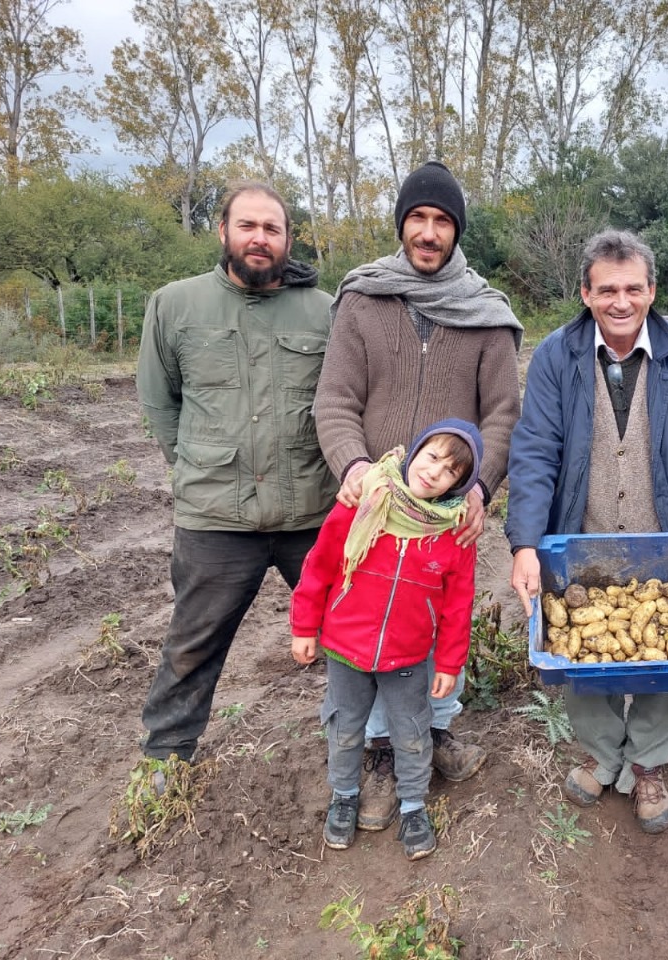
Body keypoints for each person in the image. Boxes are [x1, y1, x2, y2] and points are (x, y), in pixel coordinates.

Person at [506, 229, 668, 834]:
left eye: (632, 289)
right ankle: (601, 754)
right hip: (584, 530)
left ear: (652, 291)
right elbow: (535, 451)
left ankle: (648, 762)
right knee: (579, 649)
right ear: (585, 293)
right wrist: (525, 543)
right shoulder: (556, 356)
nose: (619, 302)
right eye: (606, 290)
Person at [314, 161, 522, 829]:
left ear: (457, 231)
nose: (429, 233)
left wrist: (480, 486)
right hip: (375, 508)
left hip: (445, 510)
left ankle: (431, 731)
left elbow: (502, 416)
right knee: (371, 617)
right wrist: (353, 467)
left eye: (442, 221)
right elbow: (335, 400)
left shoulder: (486, 314)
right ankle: (380, 752)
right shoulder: (364, 300)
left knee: (434, 618)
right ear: (402, 224)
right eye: (418, 219)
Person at [136, 182, 335, 778]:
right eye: (247, 225)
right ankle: (166, 757)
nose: (259, 238)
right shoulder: (174, 305)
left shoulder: (325, 311)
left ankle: (371, 743)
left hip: (312, 515)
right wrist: (199, 467)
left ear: (289, 240)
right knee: (193, 643)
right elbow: (160, 402)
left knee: (353, 632)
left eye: (272, 229)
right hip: (215, 517)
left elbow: (344, 402)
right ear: (223, 231)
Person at [291, 419, 483, 859]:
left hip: (408, 655)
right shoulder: (365, 500)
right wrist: (304, 627)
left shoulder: (453, 532)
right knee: (344, 727)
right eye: (432, 457)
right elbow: (319, 565)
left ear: (458, 485)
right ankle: (343, 796)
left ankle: (413, 805)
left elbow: (458, 605)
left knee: (413, 730)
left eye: (450, 471)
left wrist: (449, 663)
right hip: (345, 649)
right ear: (414, 451)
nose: (434, 472)